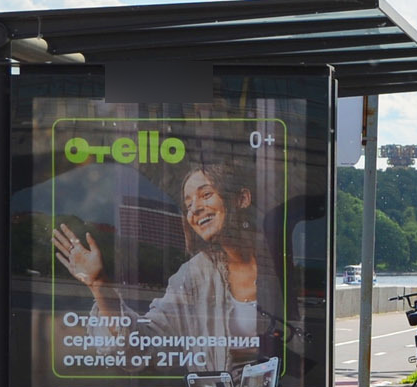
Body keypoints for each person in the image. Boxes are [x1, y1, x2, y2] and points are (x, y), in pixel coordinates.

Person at [52, 153, 278, 373]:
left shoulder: (283, 259)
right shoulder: (193, 275)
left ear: (242, 199)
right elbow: (142, 345)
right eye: (188, 205)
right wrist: (100, 285)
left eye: (206, 194)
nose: (195, 209)